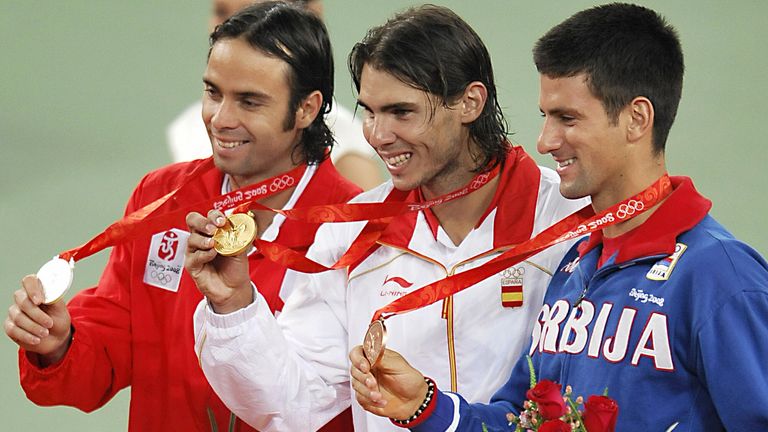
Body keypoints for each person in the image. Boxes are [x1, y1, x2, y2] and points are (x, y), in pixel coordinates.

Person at [348, 3, 768, 431]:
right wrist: (426, 405)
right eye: (545, 117)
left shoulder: (719, 276)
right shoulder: (576, 265)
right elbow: (520, 421)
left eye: (567, 119)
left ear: (636, 119)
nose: (545, 141)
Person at [187, 4, 587, 431]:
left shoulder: (569, 223)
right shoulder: (350, 234)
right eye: (370, 112)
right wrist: (232, 306)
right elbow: (291, 404)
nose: (378, 135)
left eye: (401, 112)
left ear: (470, 102)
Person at [4, 2, 358, 431]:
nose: (220, 119)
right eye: (213, 92)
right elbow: (113, 343)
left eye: (249, 101)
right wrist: (61, 344)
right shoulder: (162, 199)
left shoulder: (353, 229)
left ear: (306, 109)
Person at [168, 0, 386, 191]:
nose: (237, 27)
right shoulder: (187, 127)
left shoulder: (346, 143)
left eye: (250, 102)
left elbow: (368, 227)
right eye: (222, 12)